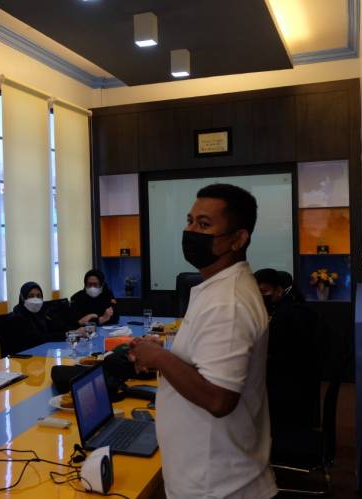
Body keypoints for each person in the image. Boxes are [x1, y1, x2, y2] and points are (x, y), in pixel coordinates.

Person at [128, 184, 276, 499]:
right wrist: (162, 354)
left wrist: (159, 358)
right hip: (211, 477)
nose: (191, 231)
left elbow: (219, 399)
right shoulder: (217, 288)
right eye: (190, 221)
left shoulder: (228, 302)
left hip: (218, 485)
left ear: (238, 239)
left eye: (204, 224)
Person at [255, 268, 321, 431]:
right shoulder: (294, 308)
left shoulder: (284, 316)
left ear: (279, 290)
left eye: (264, 292)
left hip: (289, 398)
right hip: (303, 393)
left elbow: (274, 355)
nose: (259, 297)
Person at [11, 281, 67, 346]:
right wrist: (66, 335)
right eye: (31, 296)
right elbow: (37, 339)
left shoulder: (42, 313)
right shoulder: (18, 317)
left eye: (38, 296)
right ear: (22, 298)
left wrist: (71, 333)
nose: (35, 299)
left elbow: (56, 328)